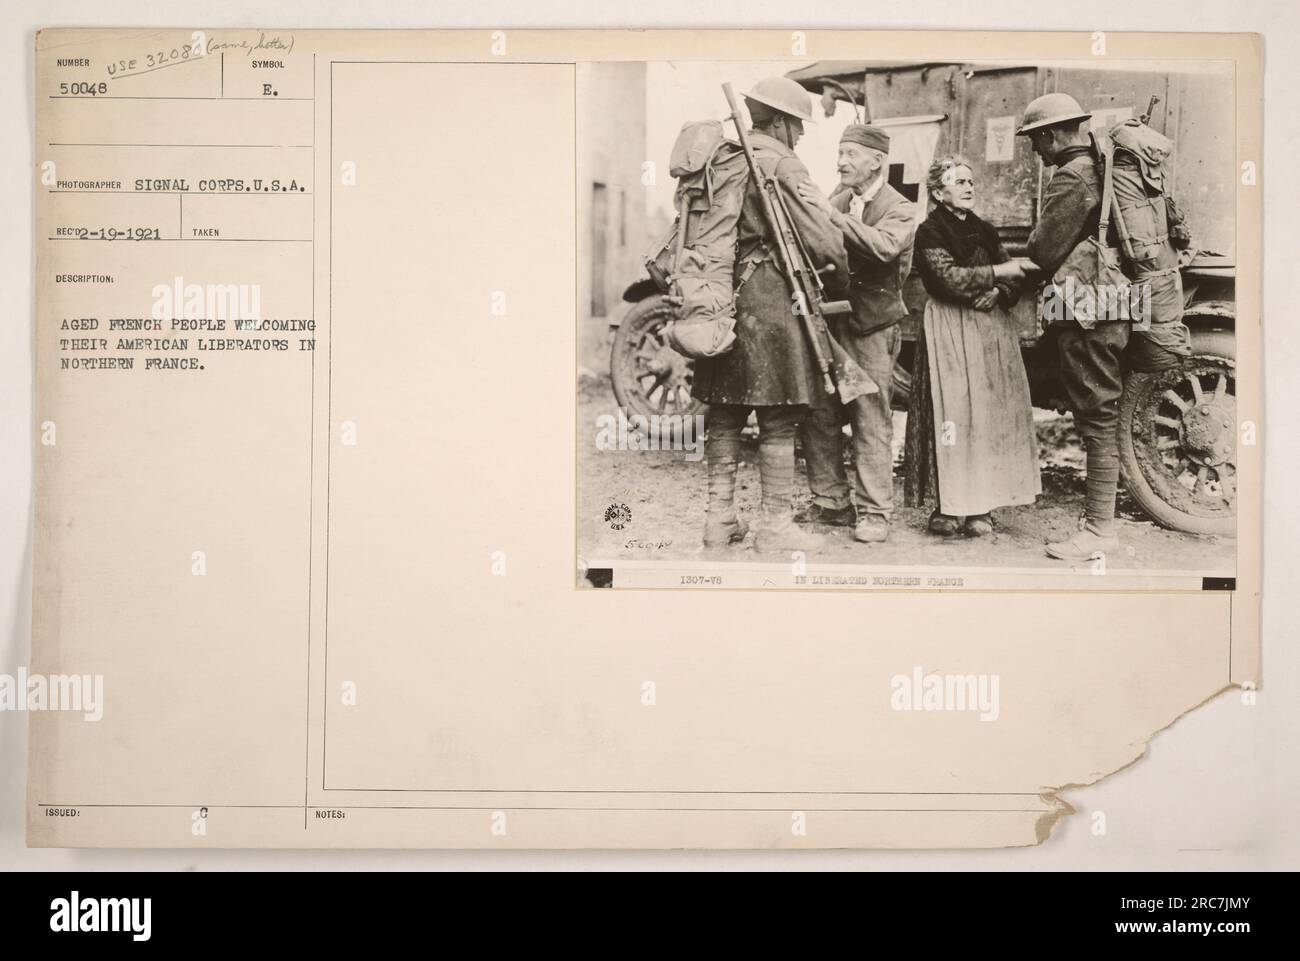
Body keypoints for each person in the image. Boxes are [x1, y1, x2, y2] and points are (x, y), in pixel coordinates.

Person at [1018, 92, 1184, 561]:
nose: (1035, 150)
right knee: (1103, 415)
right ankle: (1099, 526)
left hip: (1088, 313)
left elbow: (1041, 250)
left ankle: (1099, 531)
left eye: (1035, 140)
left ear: (1052, 135)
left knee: (1097, 418)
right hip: (1117, 307)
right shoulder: (1105, 166)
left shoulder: (1072, 176)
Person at [691, 77, 848, 552]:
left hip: (718, 297)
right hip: (772, 299)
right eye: (797, 124)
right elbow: (824, 237)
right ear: (778, 121)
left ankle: (719, 521)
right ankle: (775, 528)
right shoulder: (782, 162)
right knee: (779, 417)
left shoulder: (721, 156)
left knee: (724, 416)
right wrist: (840, 282)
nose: (799, 135)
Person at [904, 156, 1040, 536]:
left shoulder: (984, 229)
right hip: (949, 328)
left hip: (988, 331)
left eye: (971, 181)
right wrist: (996, 275)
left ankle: (981, 508)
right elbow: (945, 279)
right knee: (952, 417)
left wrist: (998, 291)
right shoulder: (929, 232)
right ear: (937, 193)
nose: (968, 187)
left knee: (986, 418)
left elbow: (1013, 274)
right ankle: (948, 507)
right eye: (958, 181)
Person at [794, 124, 916, 543]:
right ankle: (832, 502)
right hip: (833, 323)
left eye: (850, 154)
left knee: (869, 418)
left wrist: (830, 216)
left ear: (877, 161)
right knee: (821, 411)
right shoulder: (839, 197)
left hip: (871, 328)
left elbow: (884, 247)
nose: (841, 161)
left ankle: (875, 512)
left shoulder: (900, 207)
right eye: (840, 152)